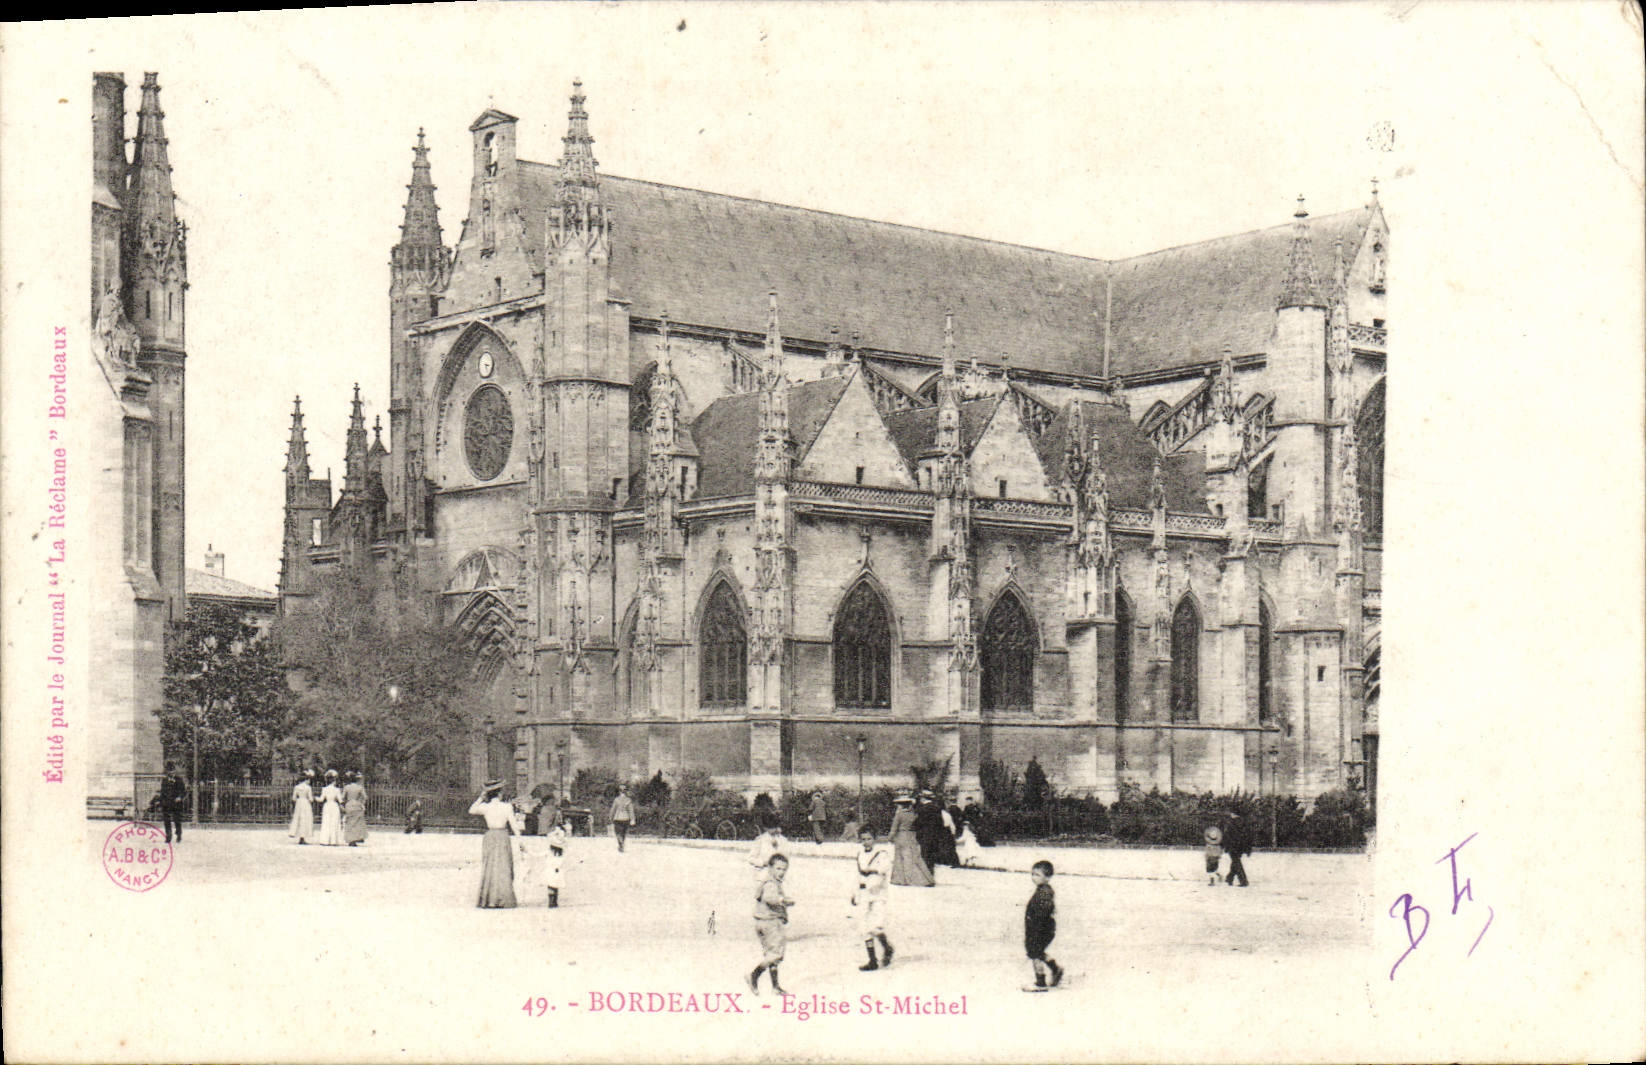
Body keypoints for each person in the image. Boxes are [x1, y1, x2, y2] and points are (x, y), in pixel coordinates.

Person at [746, 854, 794, 997]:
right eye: (778, 868)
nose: (781, 872)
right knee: (776, 953)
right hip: (770, 923)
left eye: (784, 869)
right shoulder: (771, 883)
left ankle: (775, 986)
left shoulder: (769, 881)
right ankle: (753, 975)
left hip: (762, 922)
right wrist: (783, 900)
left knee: (770, 954)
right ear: (770, 868)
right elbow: (770, 898)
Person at [851, 827, 895, 971]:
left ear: (874, 839)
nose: (866, 842)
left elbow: (885, 867)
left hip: (877, 893)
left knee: (876, 925)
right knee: (862, 925)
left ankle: (886, 947)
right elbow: (858, 876)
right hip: (864, 892)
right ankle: (872, 960)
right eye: (863, 839)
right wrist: (854, 893)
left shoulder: (881, 854)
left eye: (869, 839)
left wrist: (874, 871)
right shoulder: (860, 854)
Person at [470, 780, 518, 908]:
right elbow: (514, 825)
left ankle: (489, 899)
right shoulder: (507, 807)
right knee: (504, 867)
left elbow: (471, 810)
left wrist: (481, 797)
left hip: (490, 836)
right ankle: (504, 898)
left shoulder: (485, 807)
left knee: (490, 866)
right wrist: (520, 841)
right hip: (502, 835)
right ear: (500, 793)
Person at [1023, 859, 1064, 992]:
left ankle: (1040, 982)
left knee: (1035, 953)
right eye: (1033, 874)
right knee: (1038, 952)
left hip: (1040, 928)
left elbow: (1044, 911)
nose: (1034, 878)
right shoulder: (1043, 889)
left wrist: (1036, 926)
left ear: (1048, 877)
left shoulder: (1045, 892)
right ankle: (1055, 968)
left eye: (1038, 875)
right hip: (1040, 927)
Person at [888, 795, 934, 887]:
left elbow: (894, 828)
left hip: (901, 836)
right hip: (912, 836)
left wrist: (890, 838)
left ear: (900, 805)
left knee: (901, 858)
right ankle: (925, 879)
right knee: (914, 857)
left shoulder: (899, 815)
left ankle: (901, 879)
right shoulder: (914, 814)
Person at [157, 764, 188, 844]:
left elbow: (184, 792)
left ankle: (178, 834)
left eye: (172, 771)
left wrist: (180, 797)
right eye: (169, 771)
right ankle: (168, 836)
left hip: (176, 803)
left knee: (177, 820)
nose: (170, 773)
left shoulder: (179, 780)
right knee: (166, 820)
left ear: (174, 771)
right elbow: (162, 792)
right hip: (166, 803)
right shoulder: (165, 780)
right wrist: (161, 803)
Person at [545, 819, 570, 908]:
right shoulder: (560, 854)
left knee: (552, 886)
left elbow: (537, 854)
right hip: (556, 871)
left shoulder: (549, 853)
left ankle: (552, 901)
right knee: (554, 886)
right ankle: (553, 901)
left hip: (553, 871)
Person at [1223, 811, 1252, 887]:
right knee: (1235, 862)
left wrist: (1226, 846)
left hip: (1233, 846)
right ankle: (1229, 877)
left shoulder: (1231, 823)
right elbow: (1248, 836)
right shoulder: (1244, 823)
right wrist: (1248, 848)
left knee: (1236, 863)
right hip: (1241, 847)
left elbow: (1227, 836)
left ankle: (1243, 881)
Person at [317, 770, 345, 846]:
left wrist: (315, 798)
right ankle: (333, 841)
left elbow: (321, 799)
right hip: (334, 806)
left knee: (326, 822)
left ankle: (325, 840)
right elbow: (340, 800)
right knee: (334, 822)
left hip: (327, 806)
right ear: (334, 780)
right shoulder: (337, 790)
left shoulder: (324, 789)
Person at [288, 771, 315, 844]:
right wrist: (312, 799)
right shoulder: (308, 788)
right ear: (306, 780)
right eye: (308, 780)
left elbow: (293, 798)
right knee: (305, 819)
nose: (309, 781)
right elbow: (311, 799)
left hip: (299, 803)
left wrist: (298, 800)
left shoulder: (296, 787)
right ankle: (303, 837)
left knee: (299, 819)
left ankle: (299, 836)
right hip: (306, 803)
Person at [342, 771, 368, 846]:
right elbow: (365, 797)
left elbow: (343, 797)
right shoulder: (360, 787)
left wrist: (344, 804)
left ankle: (350, 840)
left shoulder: (346, 787)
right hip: (357, 804)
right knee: (357, 823)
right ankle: (357, 837)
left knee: (349, 822)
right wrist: (361, 803)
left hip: (349, 805)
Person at [609, 785, 634, 853]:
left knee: (617, 832)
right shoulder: (628, 800)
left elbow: (613, 809)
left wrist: (610, 817)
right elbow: (630, 810)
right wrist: (632, 819)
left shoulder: (616, 800)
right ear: (625, 791)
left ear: (619, 791)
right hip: (626, 818)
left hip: (617, 818)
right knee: (624, 832)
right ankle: (622, 843)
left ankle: (620, 843)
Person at [1203, 820, 1224, 886]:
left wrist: (1207, 856)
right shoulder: (1218, 844)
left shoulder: (1209, 844)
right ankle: (1218, 876)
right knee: (1213, 868)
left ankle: (1212, 881)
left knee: (1209, 869)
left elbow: (1207, 851)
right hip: (1215, 855)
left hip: (1211, 855)